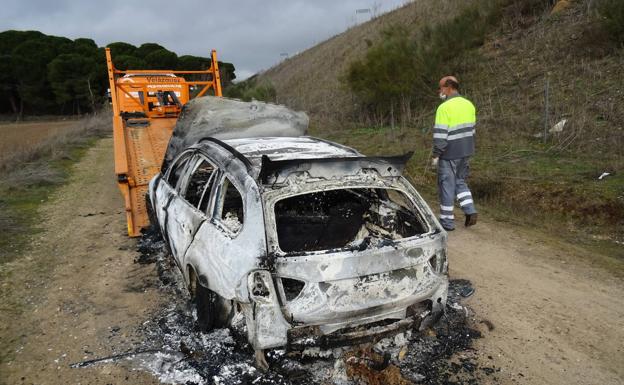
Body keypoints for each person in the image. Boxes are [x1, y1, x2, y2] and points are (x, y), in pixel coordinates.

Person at [431, 75, 477, 231]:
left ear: (448, 87)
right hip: (466, 151)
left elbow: (440, 135)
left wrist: (436, 154)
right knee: (460, 182)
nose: (439, 91)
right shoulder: (469, 105)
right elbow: (472, 130)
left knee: (447, 185)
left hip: (449, 153)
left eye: (441, 87)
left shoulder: (444, 108)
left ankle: (447, 222)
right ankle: (470, 210)